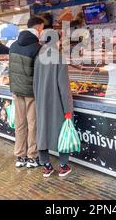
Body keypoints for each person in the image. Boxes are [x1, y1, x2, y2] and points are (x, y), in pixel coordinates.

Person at [33, 42, 74, 177]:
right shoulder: (60, 59)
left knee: (42, 131)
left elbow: (35, 83)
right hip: (57, 102)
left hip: (41, 101)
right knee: (63, 131)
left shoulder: (38, 59)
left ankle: (46, 165)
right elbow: (64, 88)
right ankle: (63, 165)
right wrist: (68, 109)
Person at [9, 16, 45, 168]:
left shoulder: (13, 46)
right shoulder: (38, 48)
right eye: (42, 28)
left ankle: (20, 156)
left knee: (20, 124)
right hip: (31, 92)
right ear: (38, 28)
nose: (42, 32)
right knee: (33, 124)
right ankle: (32, 156)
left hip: (16, 91)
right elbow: (41, 72)